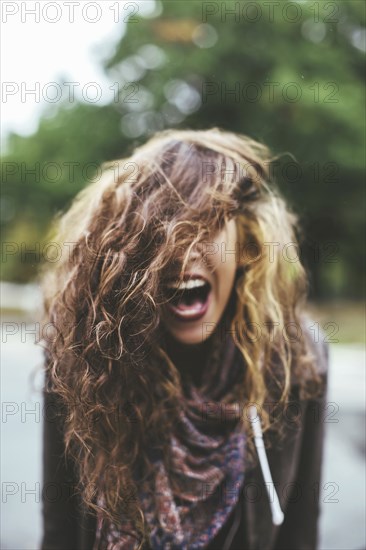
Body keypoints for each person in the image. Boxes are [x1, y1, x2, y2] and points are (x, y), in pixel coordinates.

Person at [40, 128, 329, 550]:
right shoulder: (82, 349)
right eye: (159, 227)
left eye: (207, 223)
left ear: (246, 242)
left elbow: (301, 529)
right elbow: (60, 529)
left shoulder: (296, 355)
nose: (181, 249)